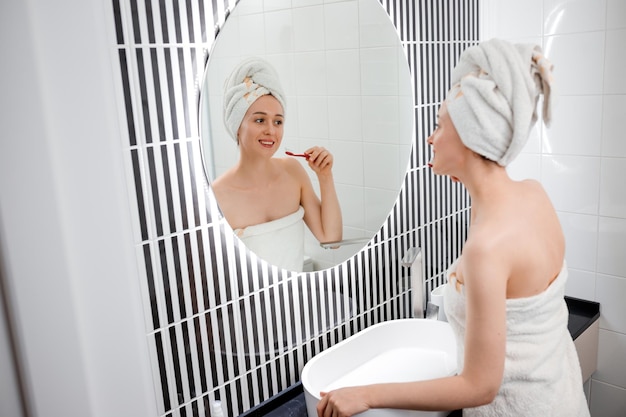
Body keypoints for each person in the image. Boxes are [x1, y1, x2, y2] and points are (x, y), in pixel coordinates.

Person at [317, 39, 590, 417]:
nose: (430, 138)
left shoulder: (488, 248)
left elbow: (479, 386)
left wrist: (366, 393)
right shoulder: (532, 195)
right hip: (562, 398)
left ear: (469, 134)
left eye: (438, 125)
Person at [211, 57, 342, 272]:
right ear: (237, 125)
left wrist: (325, 176)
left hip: (294, 300)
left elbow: (332, 239)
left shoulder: (293, 171)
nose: (271, 130)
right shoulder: (217, 196)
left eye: (278, 121)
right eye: (260, 120)